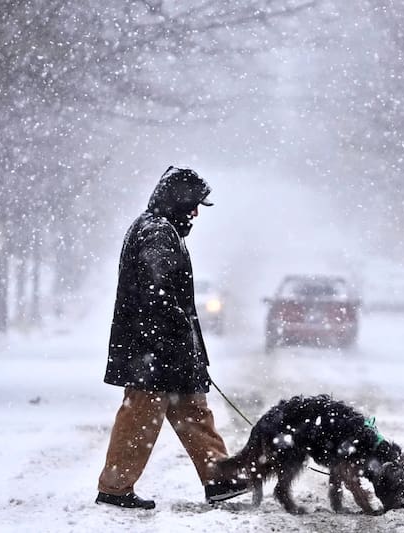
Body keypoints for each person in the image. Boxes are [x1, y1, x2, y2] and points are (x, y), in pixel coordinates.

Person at [96, 166, 247, 510]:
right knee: (140, 417)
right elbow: (158, 293)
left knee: (193, 411)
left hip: (165, 349)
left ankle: (218, 478)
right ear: (177, 201)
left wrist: (187, 348)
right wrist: (177, 338)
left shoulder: (162, 230)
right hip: (153, 350)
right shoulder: (156, 233)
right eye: (193, 204)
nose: (195, 213)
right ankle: (115, 488)